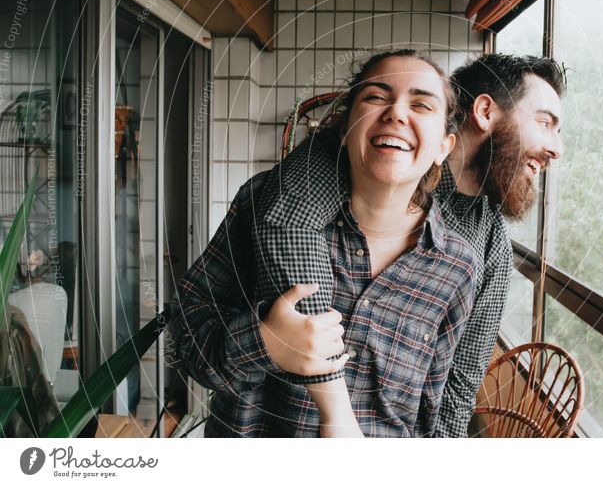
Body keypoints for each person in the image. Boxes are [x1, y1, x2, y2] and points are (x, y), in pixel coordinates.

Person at [171, 52, 565, 437]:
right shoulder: (298, 190)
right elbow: (188, 330)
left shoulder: (480, 248)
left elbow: (456, 387)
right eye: (545, 123)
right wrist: (263, 342)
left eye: (422, 106)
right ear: (483, 111)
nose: (556, 148)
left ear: (443, 144)